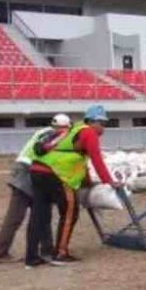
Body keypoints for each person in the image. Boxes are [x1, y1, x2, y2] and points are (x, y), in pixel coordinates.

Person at [25, 105, 121, 268]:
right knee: (70, 212)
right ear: (92, 121)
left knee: (38, 215)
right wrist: (109, 181)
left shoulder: (73, 130)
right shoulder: (89, 132)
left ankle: (31, 258)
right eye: (102, 123)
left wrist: (89, 183)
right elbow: (96, 159)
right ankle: (60, 254)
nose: (104, 128)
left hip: (37, 171)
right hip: (56, 175)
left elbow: (79, 161)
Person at [0, 114, 70, 264]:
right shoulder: (53, 135)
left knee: (38, 212)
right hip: (28, 170)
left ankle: (45, 250)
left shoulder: (44, 131)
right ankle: (2, 254)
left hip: (25, 169)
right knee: (22, 215)